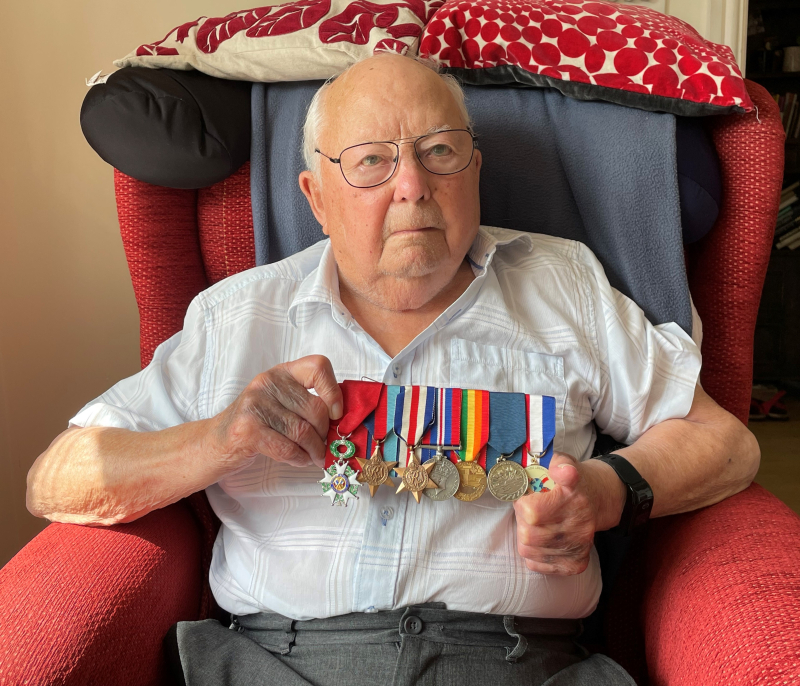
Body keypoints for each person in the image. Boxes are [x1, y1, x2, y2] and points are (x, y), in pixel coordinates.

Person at [26, 53, 760, 686]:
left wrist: (605, 491)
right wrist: (219, 439)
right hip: (276, 664)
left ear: (475, 168)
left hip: (517, 664)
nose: (412, 185)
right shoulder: (236, 315)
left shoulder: (565, 283)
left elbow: (724, 442)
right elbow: (56, 478)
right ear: (316, 197)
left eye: (439, 151)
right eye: (372, 160)